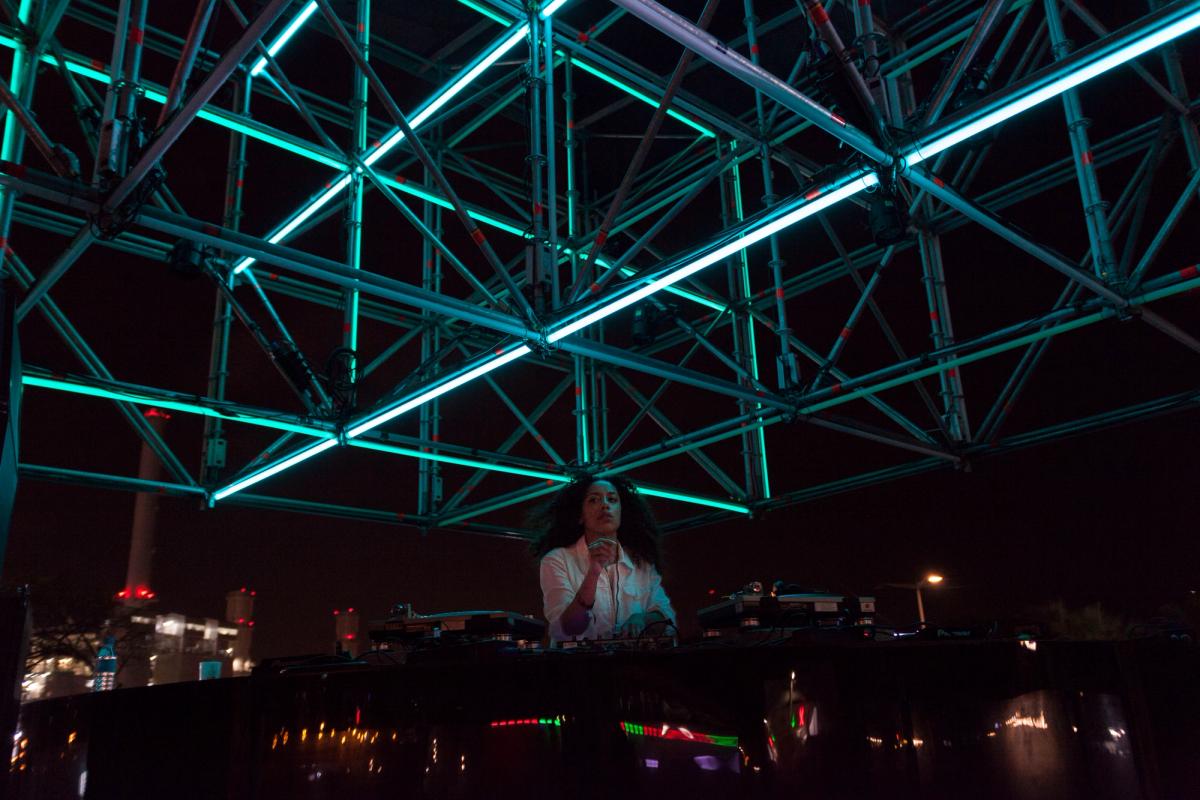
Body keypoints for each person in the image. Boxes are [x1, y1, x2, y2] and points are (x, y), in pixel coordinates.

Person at [531, 474, 676, 642]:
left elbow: (666, 616)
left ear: (622, 512)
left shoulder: (641, 562)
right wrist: (593, 573)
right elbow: (567, 629)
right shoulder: (557, 560)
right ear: (580, 515)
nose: (605, 505)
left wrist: (642, 619)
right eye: (594, 500)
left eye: (612, 499)